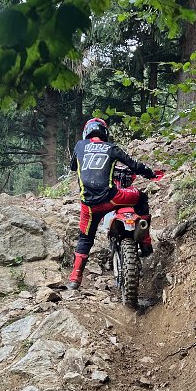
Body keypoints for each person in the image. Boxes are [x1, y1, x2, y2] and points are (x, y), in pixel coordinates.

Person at [67, 117, 159, 290]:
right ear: (105, 133)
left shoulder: (80, 146)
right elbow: (135, 165)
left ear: (86, 133)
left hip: (89, 206)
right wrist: (151, 174)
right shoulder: (111, 148)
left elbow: (73, 167)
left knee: (85, 238)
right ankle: (146, 243)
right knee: (141, 197)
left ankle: (75, 279)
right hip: (113, 198)